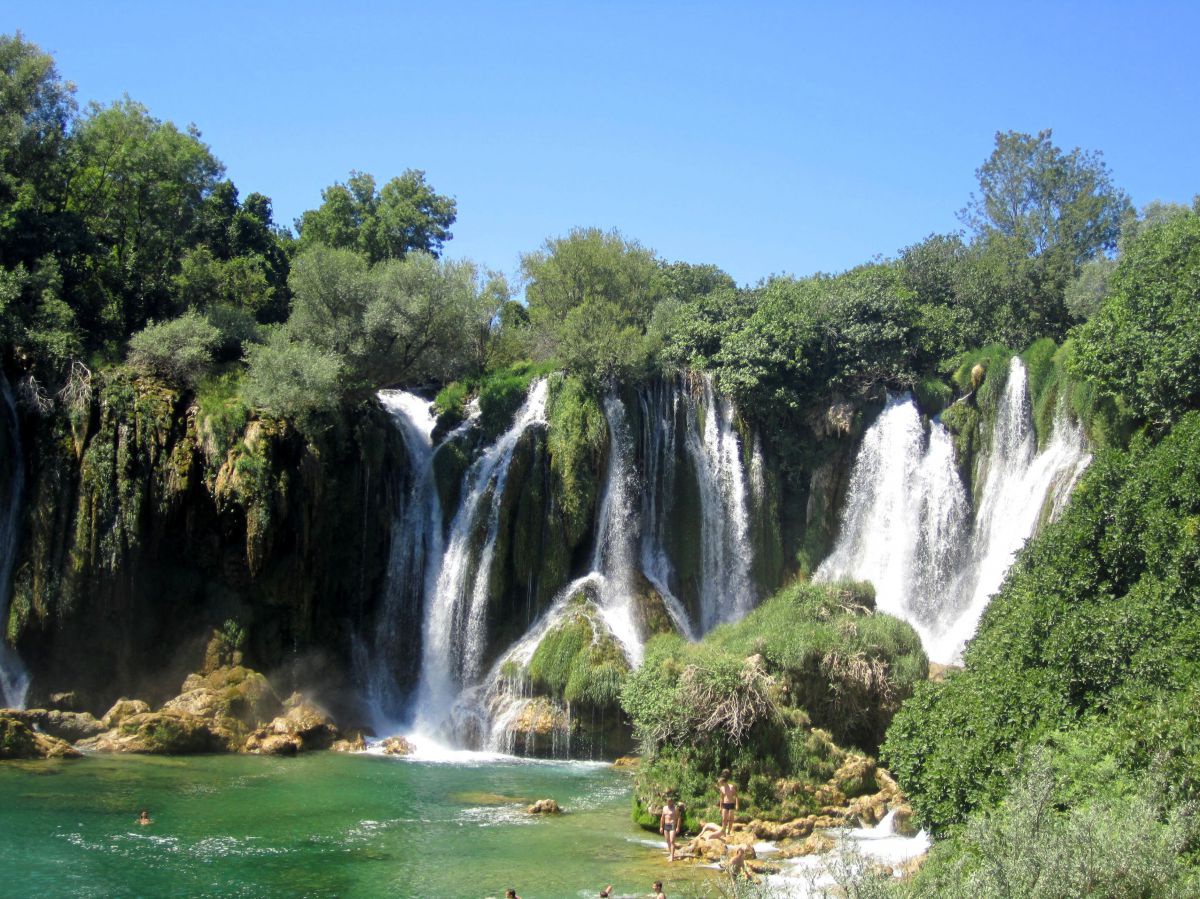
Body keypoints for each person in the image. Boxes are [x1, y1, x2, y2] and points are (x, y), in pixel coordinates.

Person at [717, 770, 739, 836]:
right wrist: (720, 807)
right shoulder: (721, 788)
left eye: (720, 782)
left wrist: (737, 805)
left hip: (731, 804)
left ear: (723, 781)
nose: (719, 784)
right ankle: (723, 831)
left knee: (731, 818)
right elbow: (721, 798)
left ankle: (728, 831)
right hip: (725, 804)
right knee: (724, 819)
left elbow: (736, 796)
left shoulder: (731, 787)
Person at [659, 794, 679, 862]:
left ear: (672, 801)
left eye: (670, 801)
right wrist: (661, 827)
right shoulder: (664, 808)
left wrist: (678, 827)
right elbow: (662, 818)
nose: (669, 802)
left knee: (672, 841)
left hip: (672, 825)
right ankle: (671, 854)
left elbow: (679, 818)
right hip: (666, 825)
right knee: (667, 841)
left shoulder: (675, 808)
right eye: (668, 801)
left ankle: (672, 857)